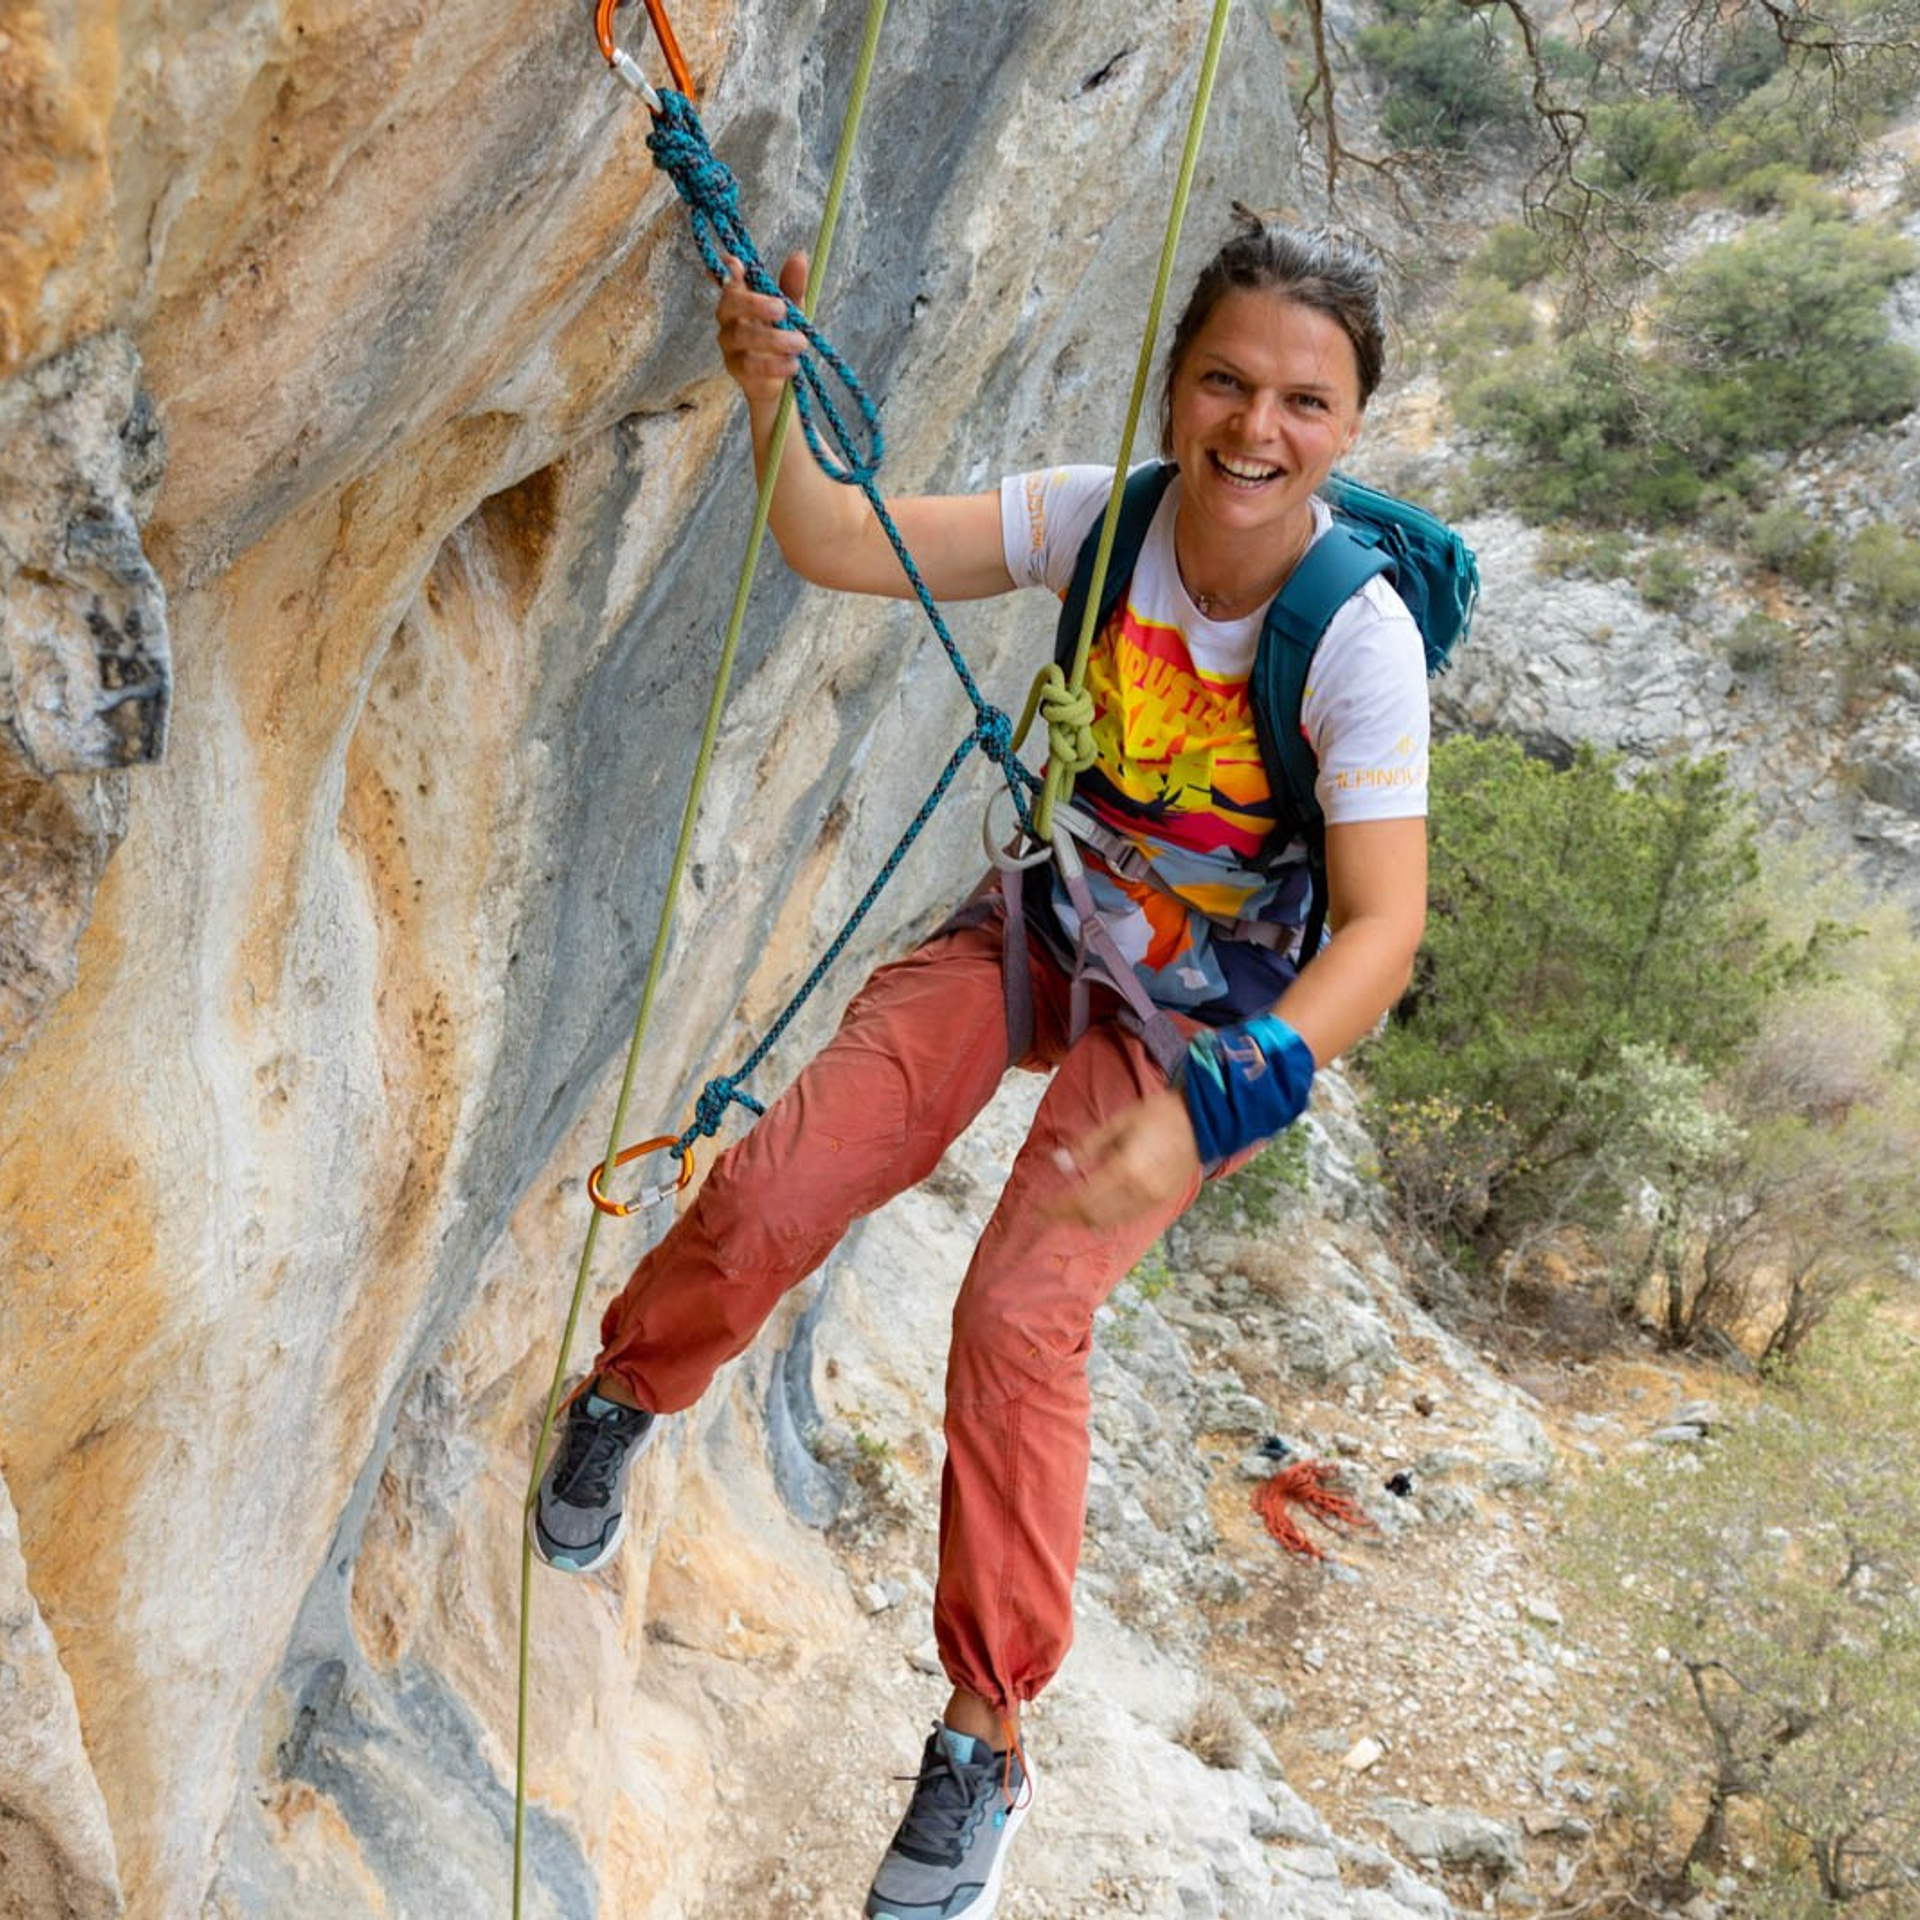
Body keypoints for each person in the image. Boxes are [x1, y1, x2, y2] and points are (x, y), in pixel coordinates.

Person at [531, 208, 1430, 1920]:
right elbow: (833, 537)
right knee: (791, 1172)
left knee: (1020, 1316)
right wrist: (763, 396)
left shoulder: (1359, 640)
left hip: (1213, 1018)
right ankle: (629, 1391)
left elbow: (1380, 934)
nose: (1257, 430)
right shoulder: (1106, 523)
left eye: (1305, 403)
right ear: (1175, 385)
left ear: (1352, 426)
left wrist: (1215, 1109)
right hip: (1050, 924)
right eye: (1227, 382)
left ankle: (985, 1737)